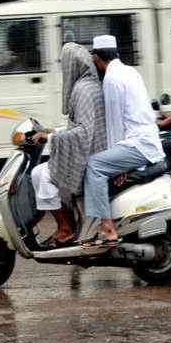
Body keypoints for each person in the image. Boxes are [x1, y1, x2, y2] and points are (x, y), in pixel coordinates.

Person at [84, 35, 165, 246]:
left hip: (137, 144)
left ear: (97, 58)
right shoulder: (130, 71)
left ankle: (107, 227)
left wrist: (116, 168)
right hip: (146, 140)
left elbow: (115, 125)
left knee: (95, 165)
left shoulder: (111, 79)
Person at [30, 43, 107, 246]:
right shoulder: (89, 85)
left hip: (89, 156)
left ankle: (66, 227)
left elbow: (83, 132)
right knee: (43, 173)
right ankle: (69, 222)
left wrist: (51, 138)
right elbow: (79, 126)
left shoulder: (82, 90)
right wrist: (51, 131)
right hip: (92, 151)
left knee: (41, 175)